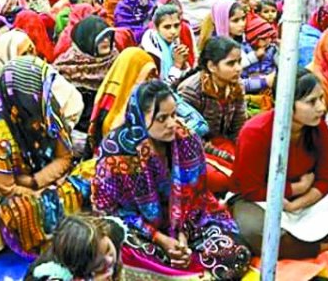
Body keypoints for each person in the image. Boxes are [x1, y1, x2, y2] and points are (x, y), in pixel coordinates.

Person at [92, 80, 252, 280]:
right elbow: (109, 210)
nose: (171, 124)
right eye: (161, 118)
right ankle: (188, 273)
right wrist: (160, 239)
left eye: (174, 115)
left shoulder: (187, 139)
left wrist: (181, 236)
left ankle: (176, 272)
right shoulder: (114, 152)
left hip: (190, 223)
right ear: (140, 118)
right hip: (141, 230)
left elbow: (197, 196)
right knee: (119, 248)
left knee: (236, 253)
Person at [230, 71, 328, 259]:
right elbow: (250, 189)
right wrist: (297, 188)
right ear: (286, 104)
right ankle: (325, 246)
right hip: (259, 200)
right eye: (311, 102)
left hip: (307, 199)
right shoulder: (254, 133)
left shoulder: (319, 127)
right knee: (258, 235)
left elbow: (326, 179)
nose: (321, 107)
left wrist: (297, 204)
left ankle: (296, 245)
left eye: (321, 98)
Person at [0, 56, 96, 258]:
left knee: (97, 169)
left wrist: (38, 181)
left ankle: (67, 218)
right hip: (19, 196)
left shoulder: (47, 110)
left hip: (43, 181)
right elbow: (7, 188)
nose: (42, 96)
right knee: (19, 212)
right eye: (35, 91)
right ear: (19, 96)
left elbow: (64, 157)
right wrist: (42, 189)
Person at [177, 36, 246, 194]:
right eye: (231, 63)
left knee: (249, 168)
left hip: (222, 142)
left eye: (239, 62)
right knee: (221, 179)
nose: (238, 68)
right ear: (212, 66)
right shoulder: (191, 90)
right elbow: (187, 137)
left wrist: (242, 152)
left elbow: (239, 128)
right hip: (194, 149)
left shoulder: (237, 86)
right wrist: (224, 157)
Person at [85, 48, 158, 157]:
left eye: (153, 76)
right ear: (133, 74)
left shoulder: (152, 100)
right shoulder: (108, 99)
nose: (151, 81)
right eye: (147, 76)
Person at [53, 16, 118, 133]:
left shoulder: (117, 61)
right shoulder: (66, 68)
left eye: (108, 36)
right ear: (84, 40)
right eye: (99, 37)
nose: (106, 41)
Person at [26, 214, 126, 281]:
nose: (110, 259)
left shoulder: (111, 233)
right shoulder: (53, 275)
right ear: (82, 269)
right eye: (99, 264)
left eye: (108, 249)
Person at [141, 4, 190, 85]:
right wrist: (177, 65)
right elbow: (161, 89)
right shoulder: (150, 52)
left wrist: (184, 65)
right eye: (167, 27)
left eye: (176, 25)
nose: (173, 31)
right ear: (156, 28)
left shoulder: (175, 43)